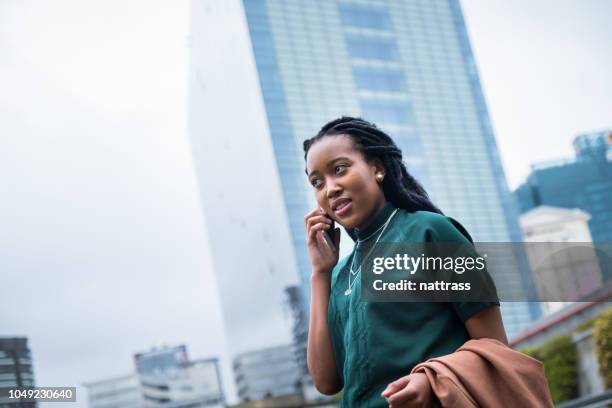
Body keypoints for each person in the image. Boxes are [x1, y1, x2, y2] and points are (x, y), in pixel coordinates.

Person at [303, 117, 508, 408]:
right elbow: (326, 381)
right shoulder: (340, 275)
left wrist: (431, 379)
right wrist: (320, 273)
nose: (330, 189)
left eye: (339, 169)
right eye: (317, 182)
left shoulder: (431, 231)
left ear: (377, 168)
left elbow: (495, 348)